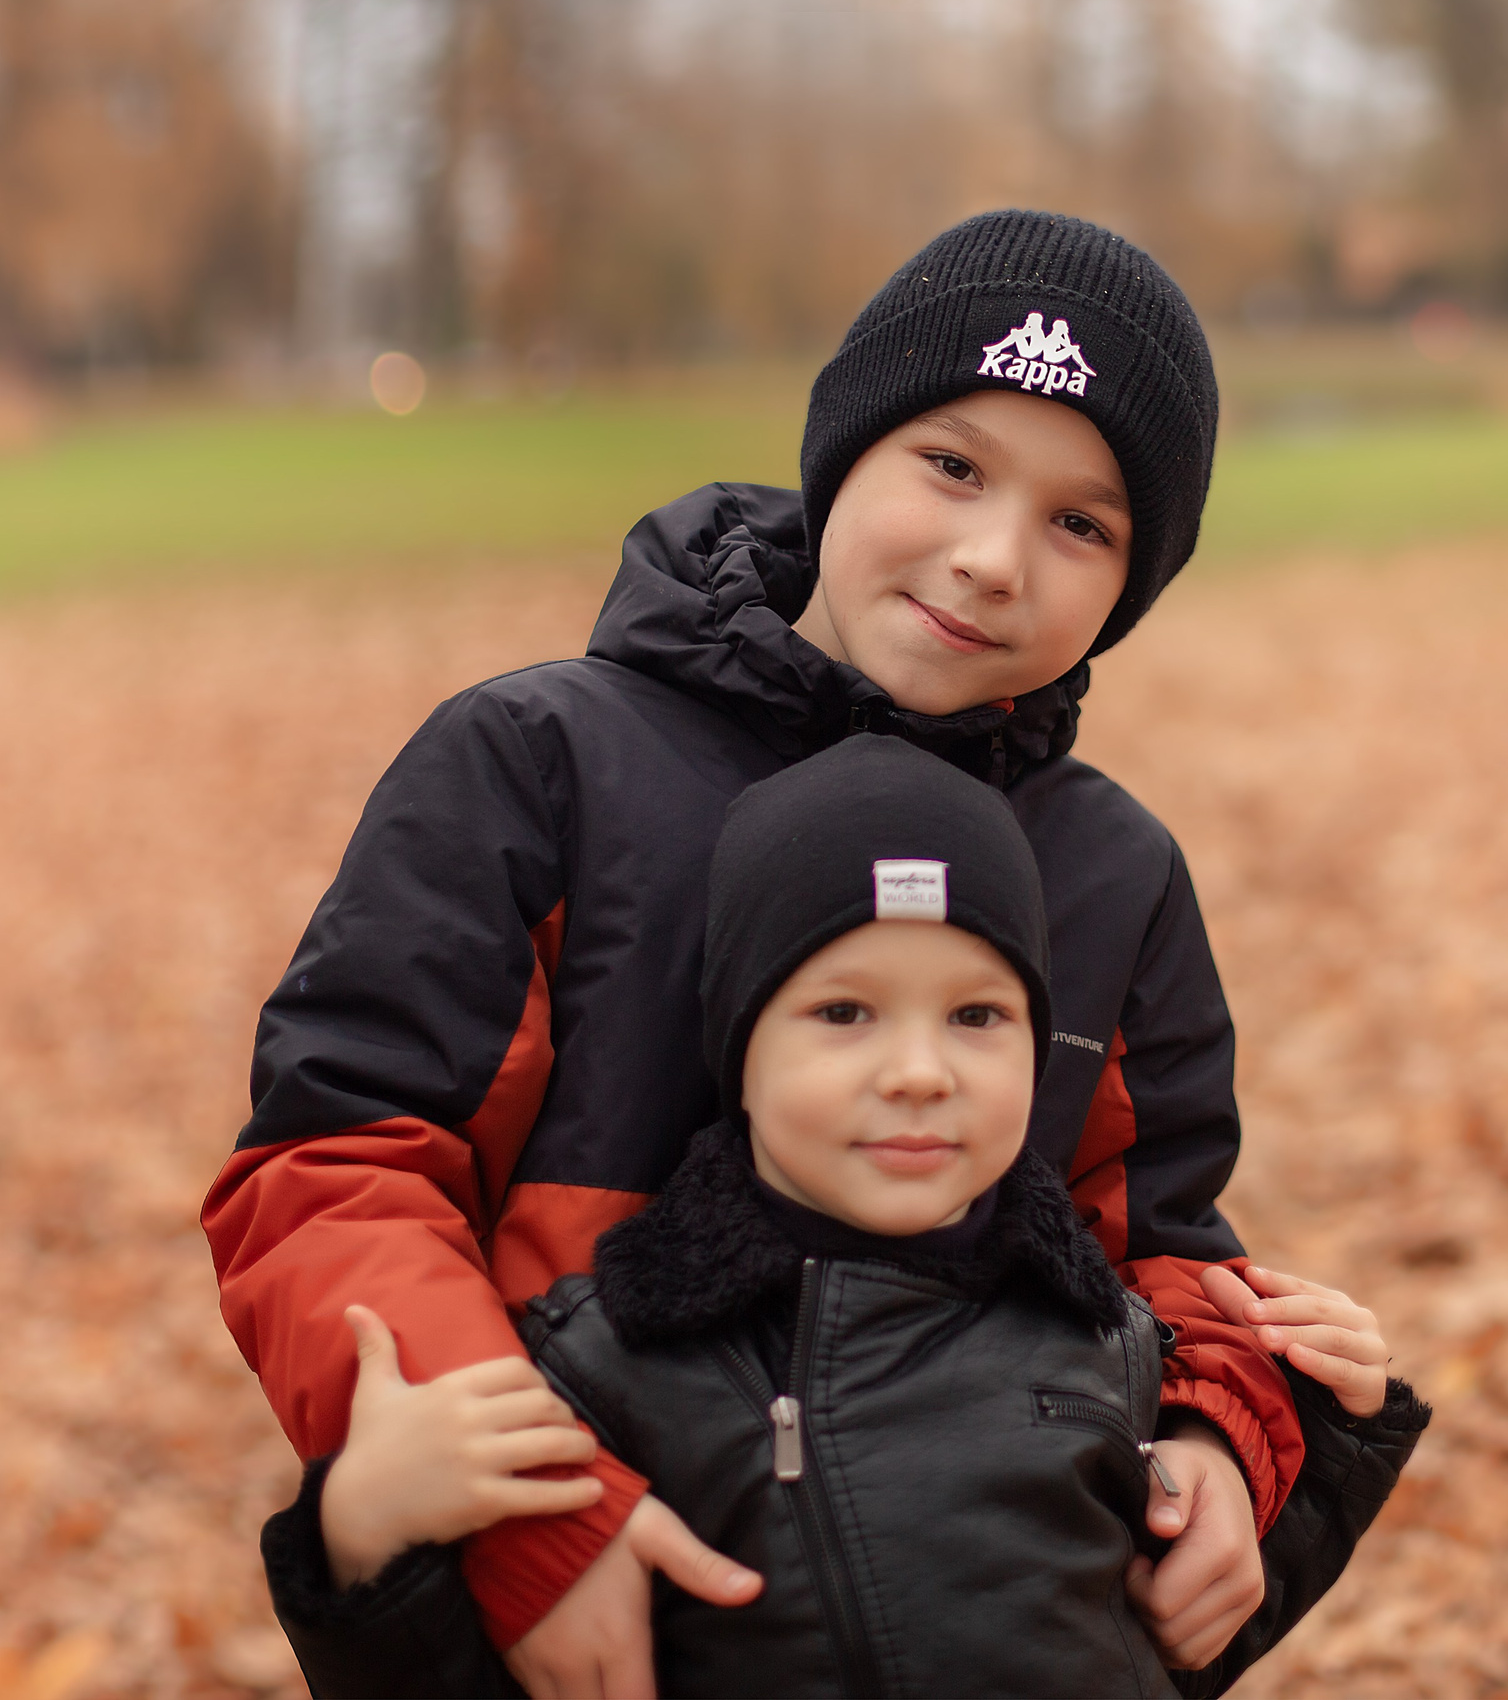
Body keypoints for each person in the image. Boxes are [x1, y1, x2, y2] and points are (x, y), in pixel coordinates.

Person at [205, 210, 1318, 1694]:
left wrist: (1221, 1438)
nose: (993, 559)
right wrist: (528, 1511)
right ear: (843, 445)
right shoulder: (539, 765)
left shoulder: (1110, 872)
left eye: (1083, 522)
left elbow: (1164, 1252)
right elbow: (334, 1171)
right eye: (952, 464)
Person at [258, 736, 1427, 1698]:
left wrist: (1325, 1445)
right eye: (844, 1012)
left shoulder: (1105, 1348)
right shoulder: (604, 1370)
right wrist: (363, 1536)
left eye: (977, 1016)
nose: (920, 1071)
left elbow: (1164, 1649)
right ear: (741, 1060)